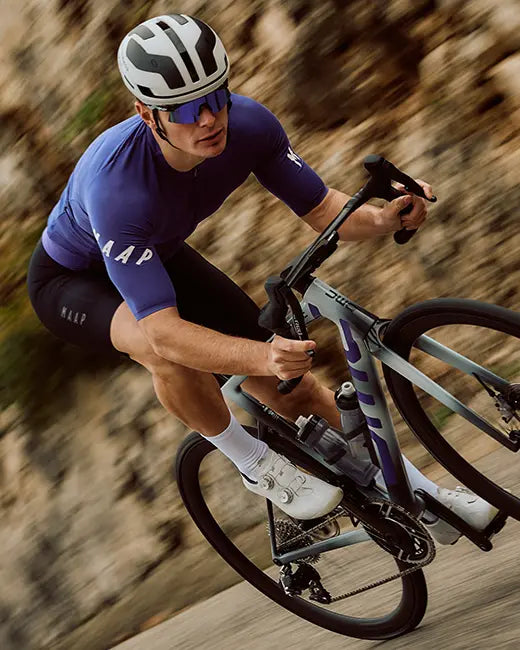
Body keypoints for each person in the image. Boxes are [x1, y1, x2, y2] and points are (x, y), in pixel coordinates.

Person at [27, 13, 498, 542]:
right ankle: (255, 463)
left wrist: (387, 218)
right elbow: (164, 332)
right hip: (71, 282)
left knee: (298, 391)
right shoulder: (118, 188)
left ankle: (429, 501)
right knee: (164, 350)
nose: (209, 119)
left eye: (216, 97)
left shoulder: (249, 126)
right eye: (187, 109)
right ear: (146, 113)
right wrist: (261, 356)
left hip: (158, 254)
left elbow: (324, 211)